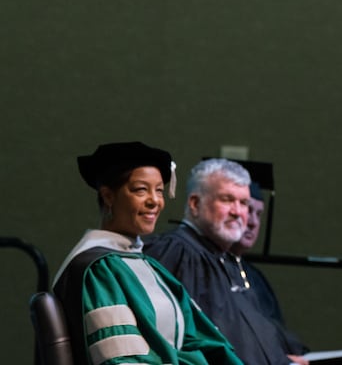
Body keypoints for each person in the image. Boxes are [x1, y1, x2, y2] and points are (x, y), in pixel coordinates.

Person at [52, 141, 243, 364]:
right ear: (108, 196)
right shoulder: (98, 268)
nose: (155, 201)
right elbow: (121, 359)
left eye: (159, 190)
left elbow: (202, 340)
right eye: (141, 190)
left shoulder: (149, 266)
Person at [143, 158, 307, 365]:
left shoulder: (227, 263)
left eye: (244, 203)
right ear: (195, 203)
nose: (238, 212)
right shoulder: (179, 253)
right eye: (227, 199)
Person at [229, 179, 310, 356]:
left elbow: (276, 331)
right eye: (248, 210)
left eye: (259, 214)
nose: (253, 222)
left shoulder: (256, 278)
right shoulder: (207, 267)